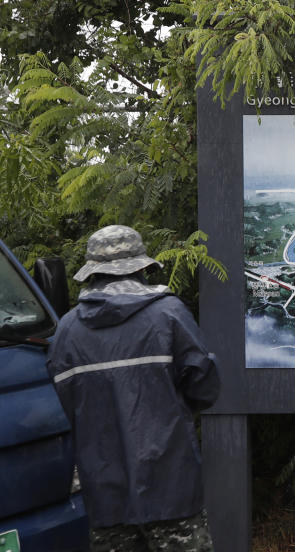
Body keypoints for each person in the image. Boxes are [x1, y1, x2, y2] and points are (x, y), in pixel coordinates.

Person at [46, 225, 221, 551]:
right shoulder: (168, 314)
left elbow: (66, 408)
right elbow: (205, 389)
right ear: (142, 267)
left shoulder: (66, 332)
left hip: (105, 496)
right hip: (171, 489)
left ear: (92, 272)